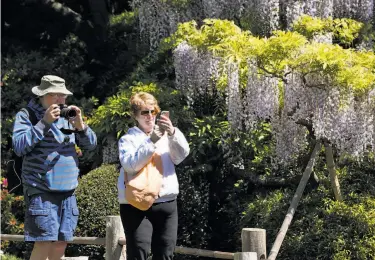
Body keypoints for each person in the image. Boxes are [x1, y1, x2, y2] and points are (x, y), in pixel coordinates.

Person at [12, 75, 97, 260]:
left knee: (61, 243)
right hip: (41, 190)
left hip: (68, 190)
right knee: (43, 242)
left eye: (63, 95)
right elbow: (19, 146)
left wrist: (81, 127)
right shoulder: (27, 115)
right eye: (55, 95)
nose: (60, 100)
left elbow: (91, 147)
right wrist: (44, 123)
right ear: (42, 96)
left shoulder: (68, 116)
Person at [117, 92, 190, 260]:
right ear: (135, 115)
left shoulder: (167, 136)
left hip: (167, 203)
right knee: (138, 254)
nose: (150, 116)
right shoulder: (128, 139)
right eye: (144, 112)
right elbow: (130, 165)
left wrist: (172, 133)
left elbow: (181, 156)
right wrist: (151, 142)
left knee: (165, 255)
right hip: (136, 204)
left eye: (153, 111)